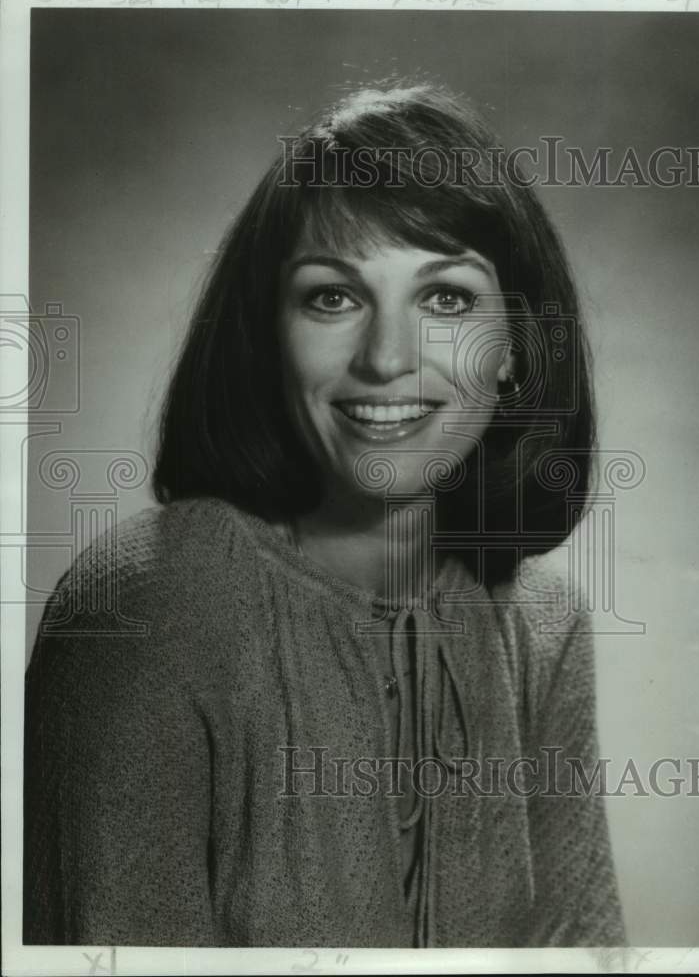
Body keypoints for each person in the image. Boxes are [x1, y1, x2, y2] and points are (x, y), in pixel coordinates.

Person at [24, 81, 626, 948]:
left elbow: (581, 953)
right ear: (268, 337)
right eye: (332, 298)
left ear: (518, 348)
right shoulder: (147, 605)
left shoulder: (542, 623)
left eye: (446, 299)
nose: (386, 358)